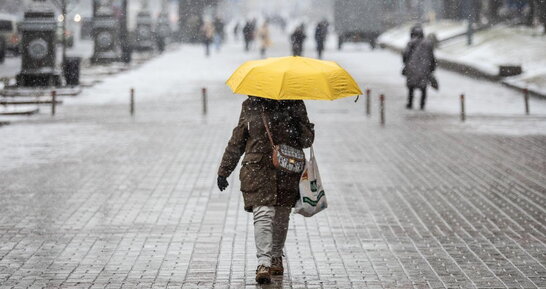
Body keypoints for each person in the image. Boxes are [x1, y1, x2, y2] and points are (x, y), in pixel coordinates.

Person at [217, 96, 315, 284]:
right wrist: (224, 171)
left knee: (281, 215)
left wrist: (298, 120)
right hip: (257, 169)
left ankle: (276, 255)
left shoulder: (295, 104)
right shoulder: (250, 105)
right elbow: (237, 140)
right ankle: (264, 262)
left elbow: (306, 140)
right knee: (263, 213)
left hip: (286, 170)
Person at [402, 25, 436, 110]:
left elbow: (405, 55)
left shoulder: (411, 43)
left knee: (411, 87)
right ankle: (422, 105)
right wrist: (432, 67)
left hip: (412, 68)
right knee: (423, 87)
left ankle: (410, 103)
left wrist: (406, 64)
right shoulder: (428, 43)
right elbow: (432, 57)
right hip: (424, 68)